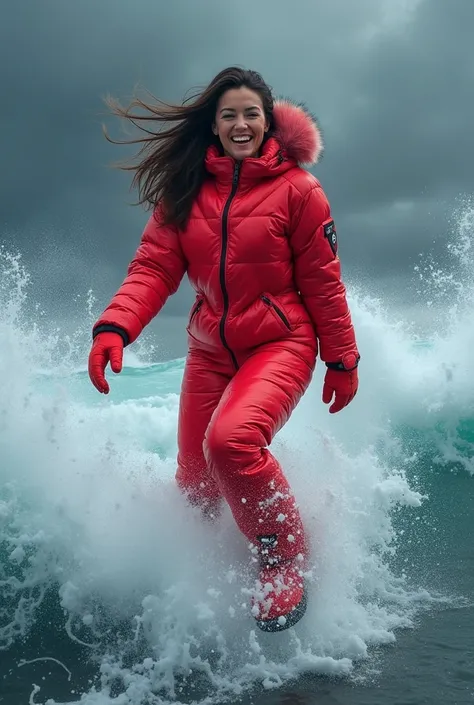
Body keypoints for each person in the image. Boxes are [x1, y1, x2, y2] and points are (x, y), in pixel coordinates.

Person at [88, 67, 360, 632]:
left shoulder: (300, 191)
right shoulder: (184, 191)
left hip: (281, 340)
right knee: (194, 482)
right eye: (230, 114)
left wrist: (341, 359)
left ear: (270, 122)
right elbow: (153, 268)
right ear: (213, 124)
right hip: (210, 348)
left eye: (251, 114)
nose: (241, 123)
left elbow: (324, 282)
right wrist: (115, 326)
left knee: (231, 441)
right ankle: (225, 563)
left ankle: (283, 560)